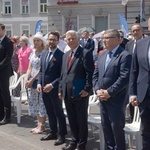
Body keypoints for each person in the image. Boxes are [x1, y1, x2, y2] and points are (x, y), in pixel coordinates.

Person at [93, 29, 132, 150]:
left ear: (117, 40)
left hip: (116, 99)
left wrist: (109, 92)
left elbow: (124, 77)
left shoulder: (125, 55)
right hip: (102, 98)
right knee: (106, 127)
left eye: (107, 38)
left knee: (116, 128)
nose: (103, 41)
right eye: (103, 38)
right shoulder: (102, 54)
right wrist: (97, 90)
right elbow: (95, 75)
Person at [59, 30, 94, 150]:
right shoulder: (65, 55)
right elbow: (63, 74)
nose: (70, 41)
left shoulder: (85, 53)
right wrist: (60, 89)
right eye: (68, 39)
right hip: (67, 92)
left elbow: (90, 73)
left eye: (73, 38)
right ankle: (74, 141)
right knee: (72, 119)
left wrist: (87, 89)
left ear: (78, 39)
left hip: (80, 92)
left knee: (81, 119)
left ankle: (81, 144)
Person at [37, 31, 67, 146]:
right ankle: (53, 132)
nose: (51, 42)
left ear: (58, 41)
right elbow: (41, 71)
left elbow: (62, 75)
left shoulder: (61, 55)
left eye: (54, 40)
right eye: (50, 39)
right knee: (50, 112)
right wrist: (39, 83)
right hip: (44, 89)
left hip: (55, 89)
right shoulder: (44, 53)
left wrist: (52, 85)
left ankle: (62, 134)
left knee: (58, 112)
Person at [129, 36, 150, 150]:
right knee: (146, 129)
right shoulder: (141, 44)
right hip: (144, 94)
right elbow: (134, 70)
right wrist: (133, 93)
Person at [25, 32, 47, 134]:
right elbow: (30, 67)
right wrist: (26, 79)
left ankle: (42, 125)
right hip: (31, 80)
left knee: (41, 102)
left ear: (42, 42)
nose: (36, 42)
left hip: (39, 79)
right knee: (35, 102)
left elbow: (41, 69)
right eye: (34, 40)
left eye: (38, 40)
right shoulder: (33, 53)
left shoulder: (44, 53)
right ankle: (38, 124)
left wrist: (32, 79)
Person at [125, 23, 144, 121]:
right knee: (132, 98)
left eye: (137, 30)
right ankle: (133, 118)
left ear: (142, 31)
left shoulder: (146, 43)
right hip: (131, 75)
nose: (135, 32)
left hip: (143, 75)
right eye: (133, 31)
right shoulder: (129, 44)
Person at [0, 23, 13, 125]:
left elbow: (8, 58)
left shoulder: (8, 42)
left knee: (5, 93)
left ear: (3, 30)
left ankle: (7, 116)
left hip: (4, 72)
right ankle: (1, 115)